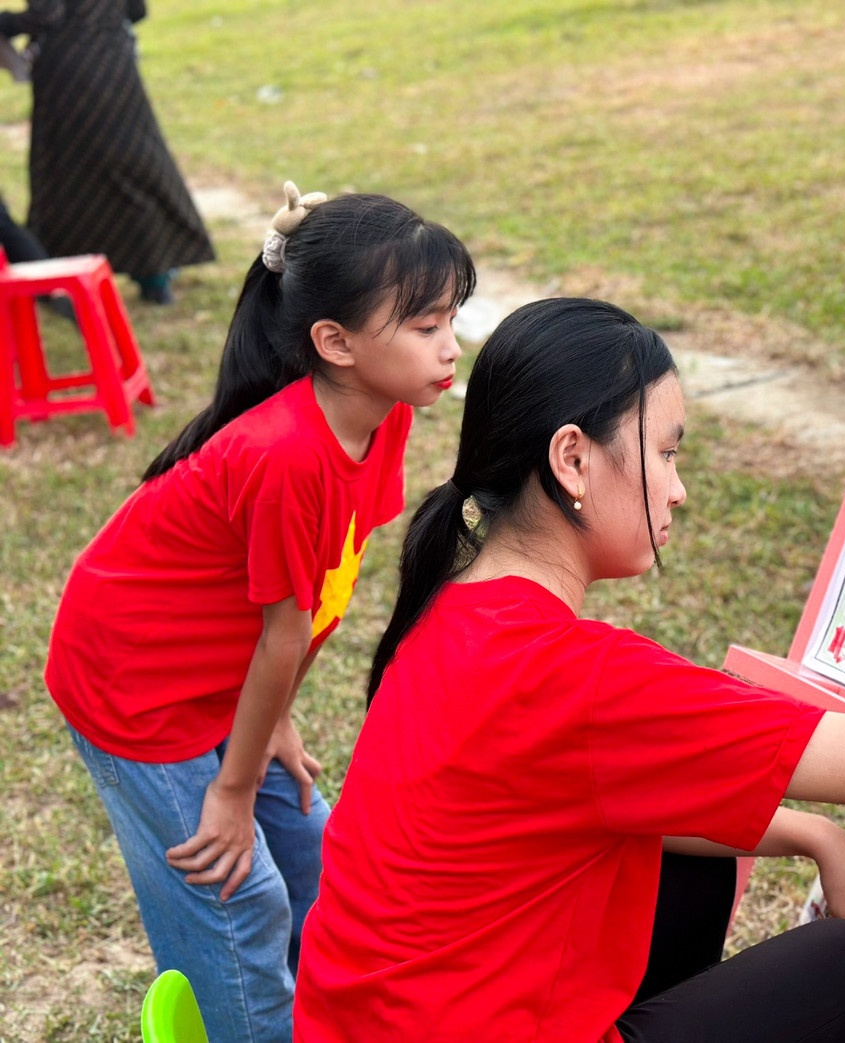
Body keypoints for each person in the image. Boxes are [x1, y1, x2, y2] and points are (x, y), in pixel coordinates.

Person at [292, 298, 845, 1042]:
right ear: (571, 460)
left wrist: (814, 832)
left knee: (694, 863)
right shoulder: (576, 674)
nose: (679, 489)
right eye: (666, 453)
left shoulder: (453, 609)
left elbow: (582, 803)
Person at [44, 182, 475, 1043]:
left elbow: (322, 599)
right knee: (238, 899)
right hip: (136, 687)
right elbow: (284, 629)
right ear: (335, 342)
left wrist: (270, 724)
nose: (449, 347)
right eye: (425, 326)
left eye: (451, 319)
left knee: (318, 859)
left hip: (222, 678)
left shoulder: (381, 416)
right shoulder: (284, 457)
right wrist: (232, 789)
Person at [0, 0, 215, 304]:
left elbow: (46, 14)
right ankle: (154, 276)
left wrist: (5, 23)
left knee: (67, 174)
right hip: (116, 63)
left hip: (68, 71)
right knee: (135, 162)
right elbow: (137, 10)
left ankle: (51, 275)